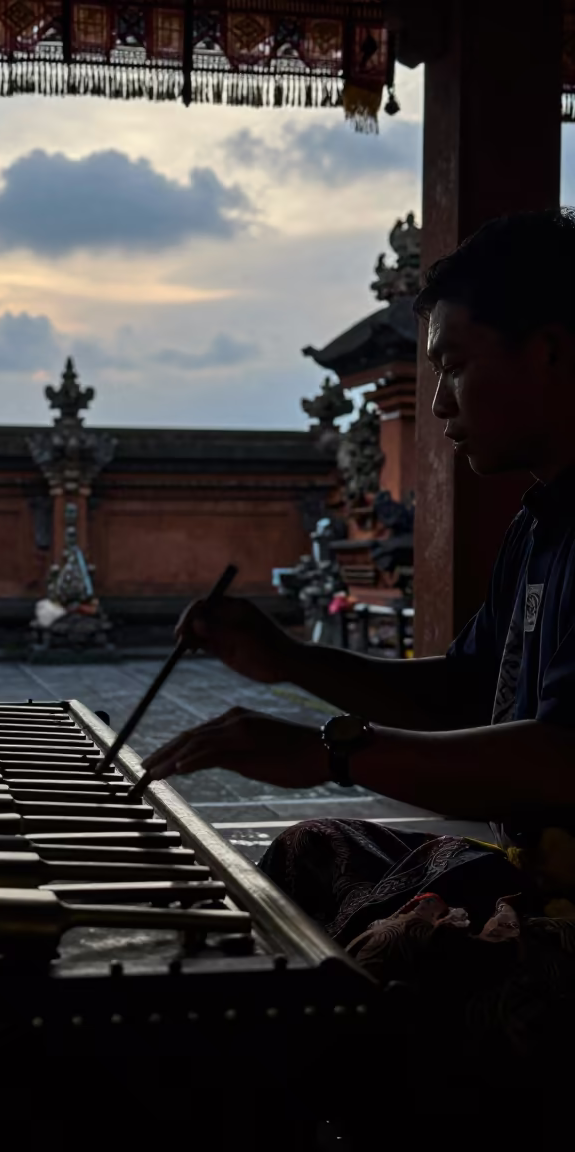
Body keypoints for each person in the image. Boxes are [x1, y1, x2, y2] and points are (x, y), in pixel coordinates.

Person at [142, 209, 575, 1057]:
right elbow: (463, 691)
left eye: (455, 364)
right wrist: (289, 660)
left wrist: (331, 752)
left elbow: (561, 758)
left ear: (551, 352)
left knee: (370, 977)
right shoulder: (538, 527)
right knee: (312, 855)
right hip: (540, 878)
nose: (442, 401)